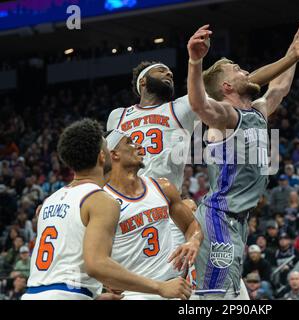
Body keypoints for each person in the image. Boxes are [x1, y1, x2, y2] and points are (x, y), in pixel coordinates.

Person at [106, 21, 299, 278]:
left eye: (170, 71)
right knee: (121, 278)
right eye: (161, 71)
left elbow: (240, 85)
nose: (169, 74)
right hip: (125, 201)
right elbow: (106, 160)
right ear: (142, 83)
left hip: (166, 203)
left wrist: (290, 57)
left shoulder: (180, 107)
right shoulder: (117, 115)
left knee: (174, 281)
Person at [186, 23, 299, 299]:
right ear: (227, 86)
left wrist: (295, 53)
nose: (246, 71)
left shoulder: (258, 111)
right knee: (213, 298)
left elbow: (278, 88)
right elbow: (199, 105)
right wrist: (195, 61)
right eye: (239, 70)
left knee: (231, 294)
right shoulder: (225, 118)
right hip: (219, 217)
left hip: (239, 221)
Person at [22, 119, 191, 300]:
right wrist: (159, 287)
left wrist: (96, 297)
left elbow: (62, 267)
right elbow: (97, 265)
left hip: (33, 293)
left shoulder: (49, 201)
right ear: (103, 156)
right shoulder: (100, 200)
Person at [103, 129, 203, 299]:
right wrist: (105, 282)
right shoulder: (101, 200)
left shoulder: (162, 187)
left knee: (191, 205)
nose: (139, 147)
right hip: (138, 292)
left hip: (178, 286)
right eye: (129, 142)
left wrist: (193, 241)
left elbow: (191, 225)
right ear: (114, 154)